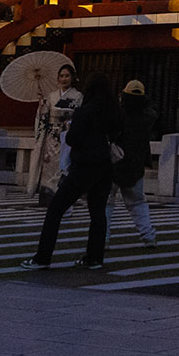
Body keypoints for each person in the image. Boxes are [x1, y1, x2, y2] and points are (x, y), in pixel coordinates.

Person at [23, 73, 121, 271]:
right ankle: (94, 257)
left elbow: (73, 139)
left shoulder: (85, 111)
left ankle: (43, 257)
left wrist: (70, 128)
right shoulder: (114, 112)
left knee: (55, 209)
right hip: (105, 165)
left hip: (84, 165)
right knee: (97, 212)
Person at [110, 80, 159, 248]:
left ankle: (102, 237)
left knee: (107, 202)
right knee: (138, 201)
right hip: (136, 163)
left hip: (114, 162)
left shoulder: (118, 114)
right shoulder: (148, 116)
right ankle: (148, 234)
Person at [29, 62, 81, 203]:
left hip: (67, 136)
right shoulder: (51, 96)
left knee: (65, 166)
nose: (64, 79)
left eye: (67, 76)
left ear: (72, 77)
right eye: (61, 76)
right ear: (58, 78)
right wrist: (42, 104)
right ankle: (47, 195)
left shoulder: (78, 96)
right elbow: (43, 117)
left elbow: (80, 116)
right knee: (49, 165)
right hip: (51, 137)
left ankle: (63, 198)